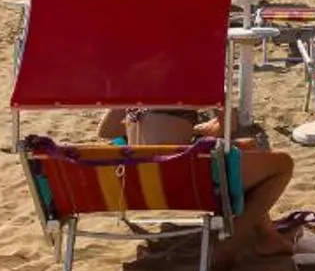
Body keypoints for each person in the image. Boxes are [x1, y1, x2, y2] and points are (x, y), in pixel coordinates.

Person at [90, 105, 295, 259]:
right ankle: (230, 244)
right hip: (186, 183)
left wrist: (193, 130)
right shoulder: (197, 74)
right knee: (282, 164)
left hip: (140, 184)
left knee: (243, 150)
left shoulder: (134, 81)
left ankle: (269, 236)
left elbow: (106, 131)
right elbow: (227, 125)